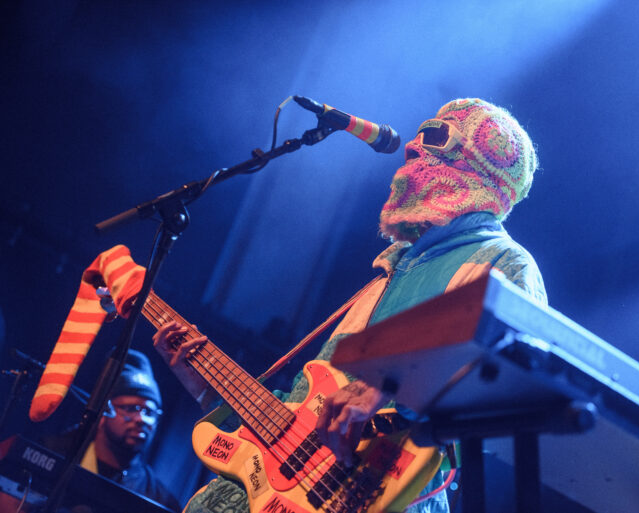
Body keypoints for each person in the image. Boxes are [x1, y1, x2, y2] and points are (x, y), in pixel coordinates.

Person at [153, 98, 546, 513]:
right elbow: (297, 423)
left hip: (379, 493)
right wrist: (206, 388)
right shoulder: (387, 273)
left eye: (434, 135)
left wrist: (388, 383)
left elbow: (509, 385)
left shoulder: (503, 263)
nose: (413, 147)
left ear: (480, 163)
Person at [43, 349, 180, 512]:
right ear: (103, 412)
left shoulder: (161, 500)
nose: (141, 419)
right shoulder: (51, 453)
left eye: (149, 412)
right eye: (131, 408)